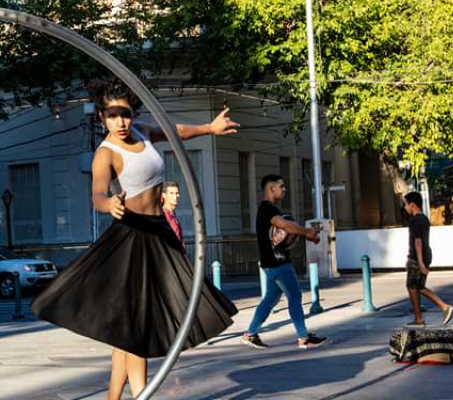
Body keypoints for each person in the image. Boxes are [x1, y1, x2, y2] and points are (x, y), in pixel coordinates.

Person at [31, 80, 240, 400]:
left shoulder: (142, 131)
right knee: (135, 326)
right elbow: (98, 194)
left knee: (131, 329)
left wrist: (209, 128)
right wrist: (108, 204)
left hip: (158, 232)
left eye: (125, 114)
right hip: (131, 236)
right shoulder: (106, 153)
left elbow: (176, 130)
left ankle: (113, 398)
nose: (121, 122)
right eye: (113, 116)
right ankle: (142, 394)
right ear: (102, 117)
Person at [241, 175, 327, 350]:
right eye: (282, 186)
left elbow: (285, 233)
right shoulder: (267, 209)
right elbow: (285, 226)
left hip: (271, 263)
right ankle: (303, 337)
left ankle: (250, 334)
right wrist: (307, 232)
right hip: (277, 263)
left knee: (270, 299)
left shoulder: (269, 209)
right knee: (294, 296)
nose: (284, 189)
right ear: (271, 189)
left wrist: (307, 233)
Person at [403, 191, 453, 327]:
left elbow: (418, 241)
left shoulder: (414, 220)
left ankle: (442, 307)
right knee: (415, 286)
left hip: (417, 257)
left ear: (412, 205)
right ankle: (419, 318)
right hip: (425, 255)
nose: (405, 207)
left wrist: (419, 262)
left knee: (415, 286)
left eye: (406, 204)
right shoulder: (424, 219)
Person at [161, 181, 184, 246]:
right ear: (164, 195)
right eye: (171, 193)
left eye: (177, 193)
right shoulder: (163, 215)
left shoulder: (173, 214)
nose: (175, 196)